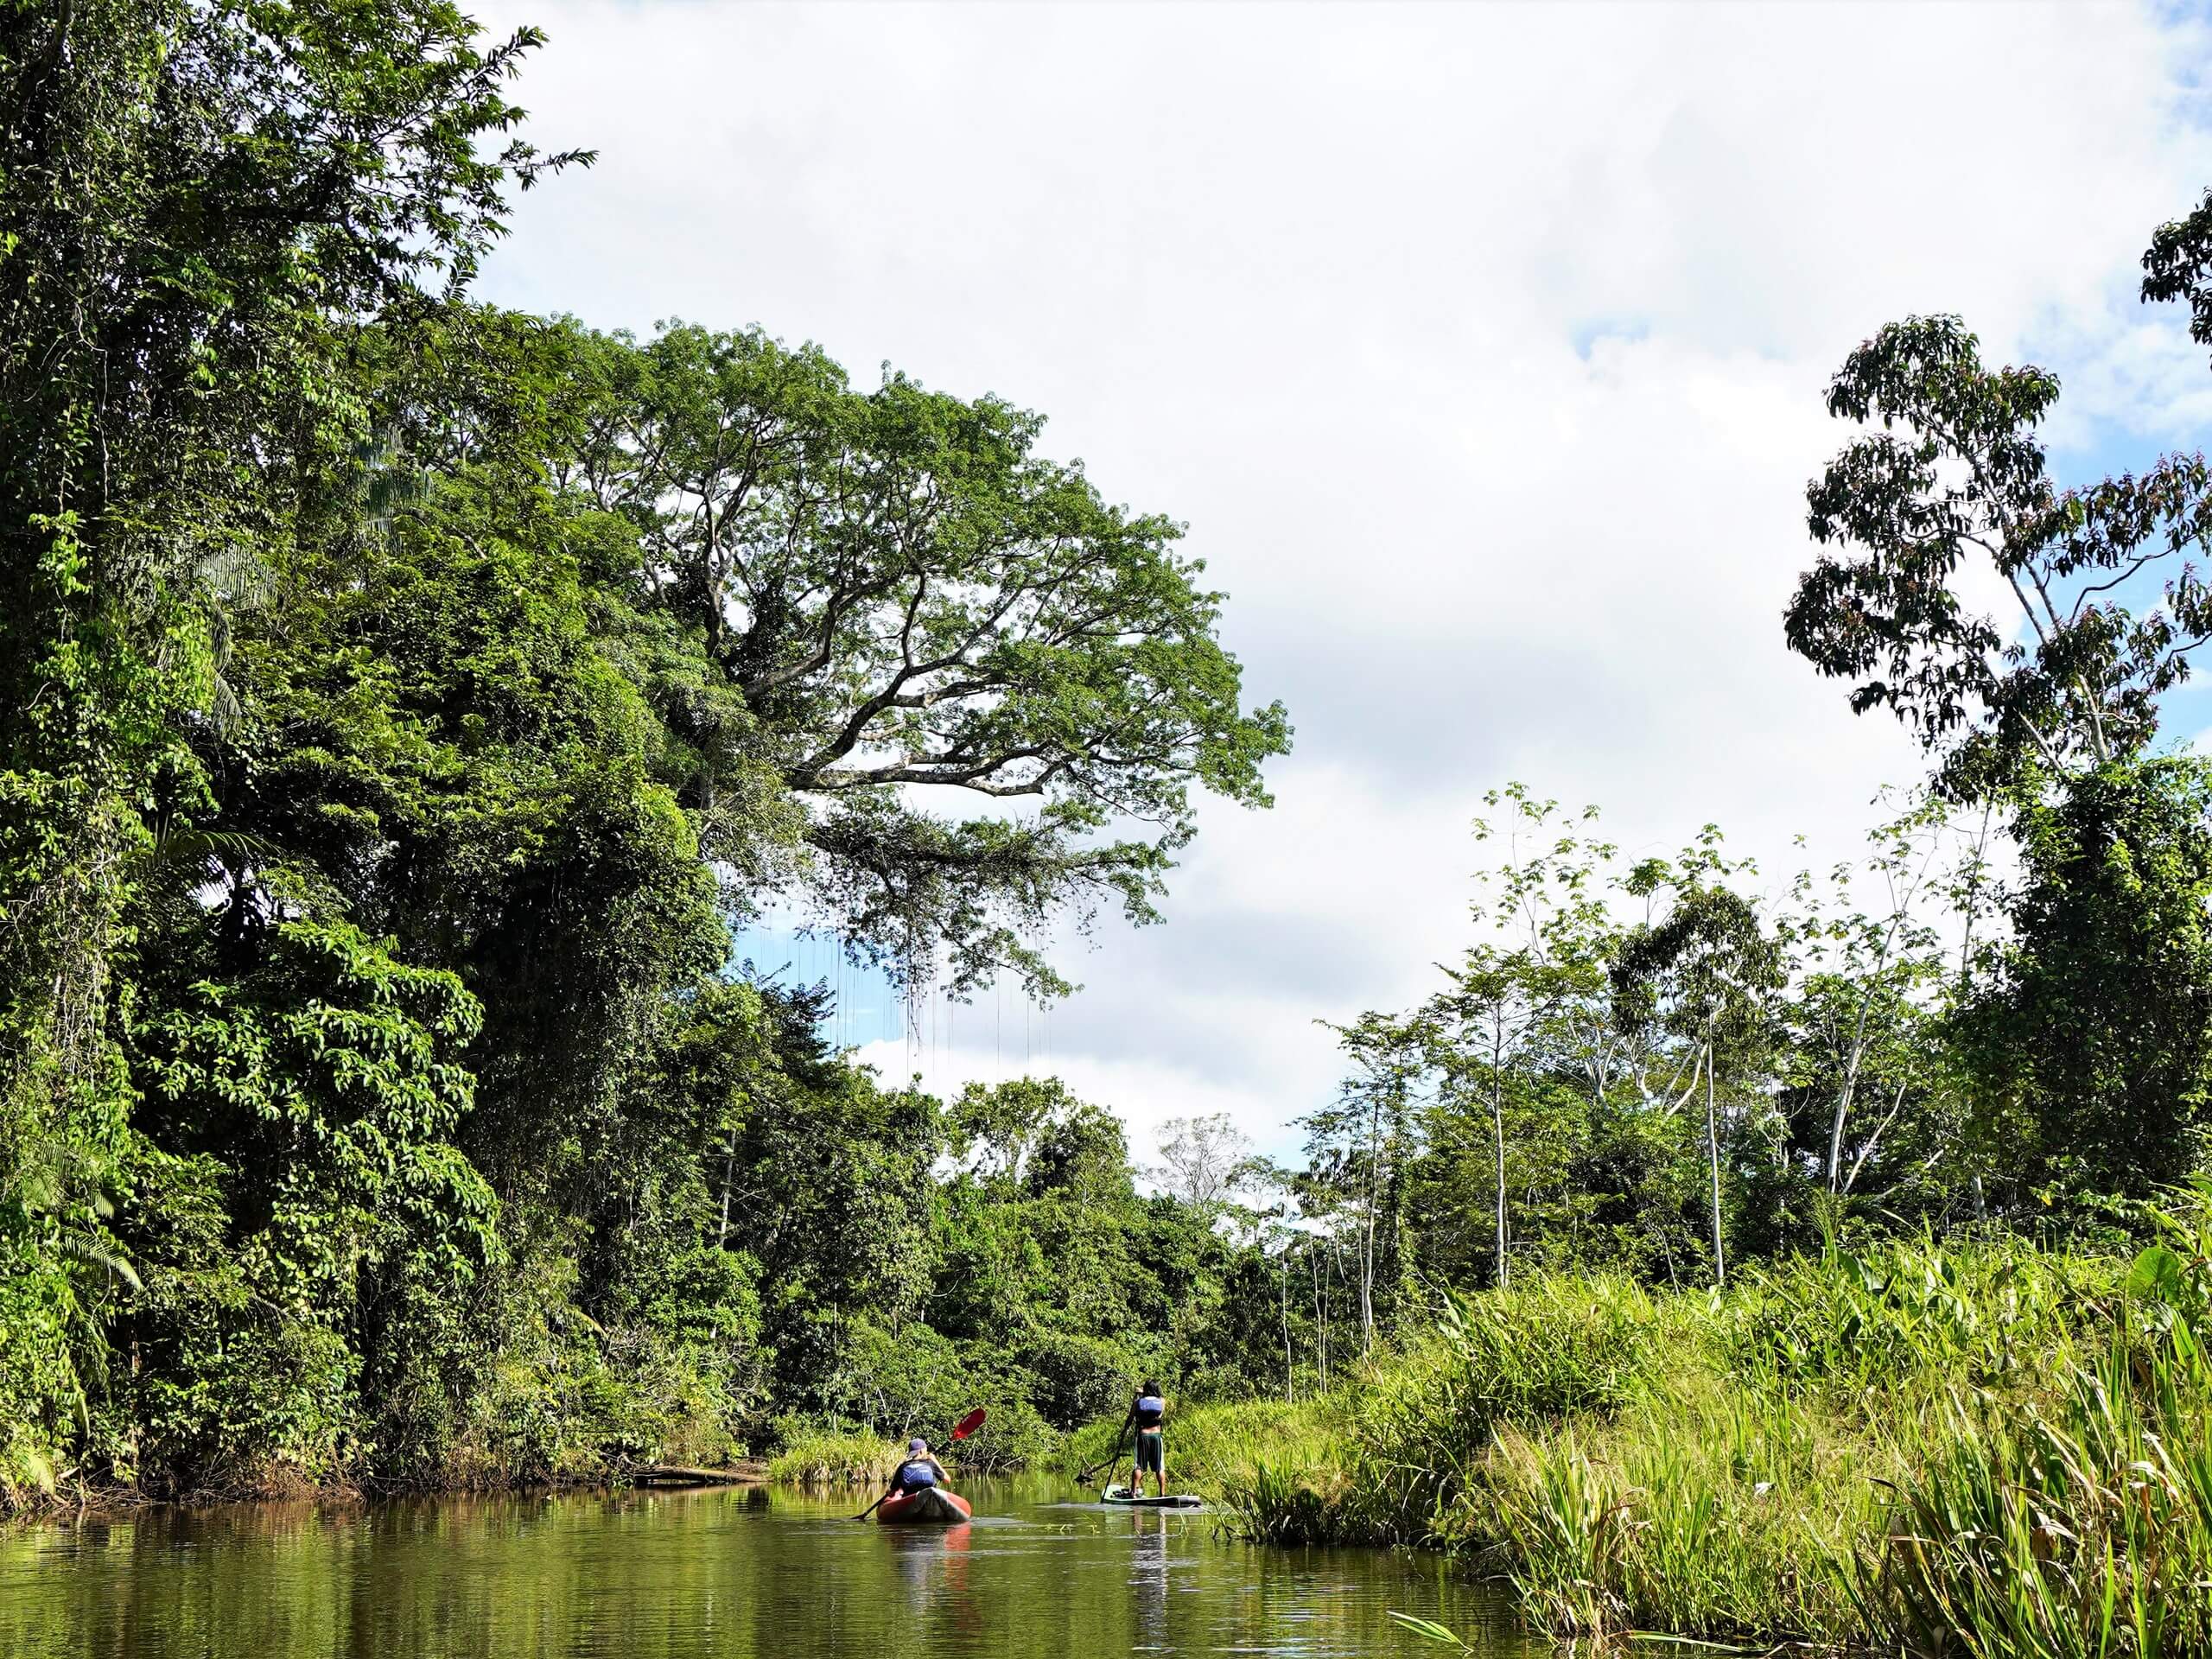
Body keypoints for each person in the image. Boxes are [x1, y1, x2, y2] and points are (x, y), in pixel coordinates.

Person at [1116, 1380, 1168, 1498]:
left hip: (1142, 1435)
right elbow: (1159, 1416)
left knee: (1138, 1466)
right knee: (1159, 1467)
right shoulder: (1161, 1401)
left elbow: (1130, 1418)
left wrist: (1125, 1430)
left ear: (1145, 1390)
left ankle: (1133, 1492)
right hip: (1156, 1435)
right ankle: (1162, 1493)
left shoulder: (1138, 1403)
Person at [882, 1437, 948, 1501]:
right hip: (929, 1499)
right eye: (926, 1449)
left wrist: (888, 1492)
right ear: (921, 1451)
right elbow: (947, 1480)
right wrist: (935, 1461)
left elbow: (892, 1493)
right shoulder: (930, 1464)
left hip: (909, 1502)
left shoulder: (903, 1466)